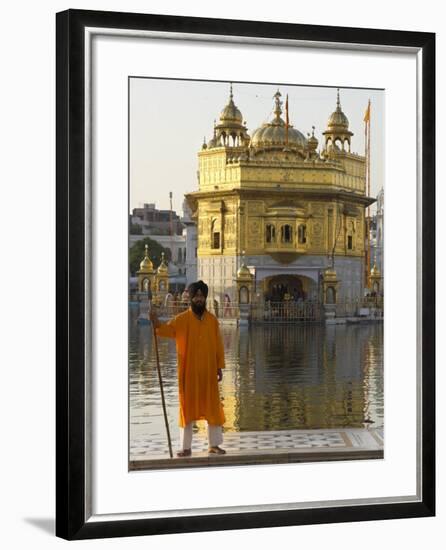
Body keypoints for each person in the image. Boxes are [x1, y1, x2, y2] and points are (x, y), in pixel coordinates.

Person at [150, 280, 226, 457]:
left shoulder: (212, 321)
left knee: (213, 407)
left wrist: (219, 367)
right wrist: (155, 323)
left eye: (202, 296)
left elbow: (218, 346)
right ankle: (185, 447)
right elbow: (165, 330)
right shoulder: (182, 319)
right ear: (191, 298)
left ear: (205, 298)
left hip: (208, 373)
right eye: (196, 296)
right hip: (189, 373)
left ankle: (214, 445)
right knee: (187, 408)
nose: (199, 299)